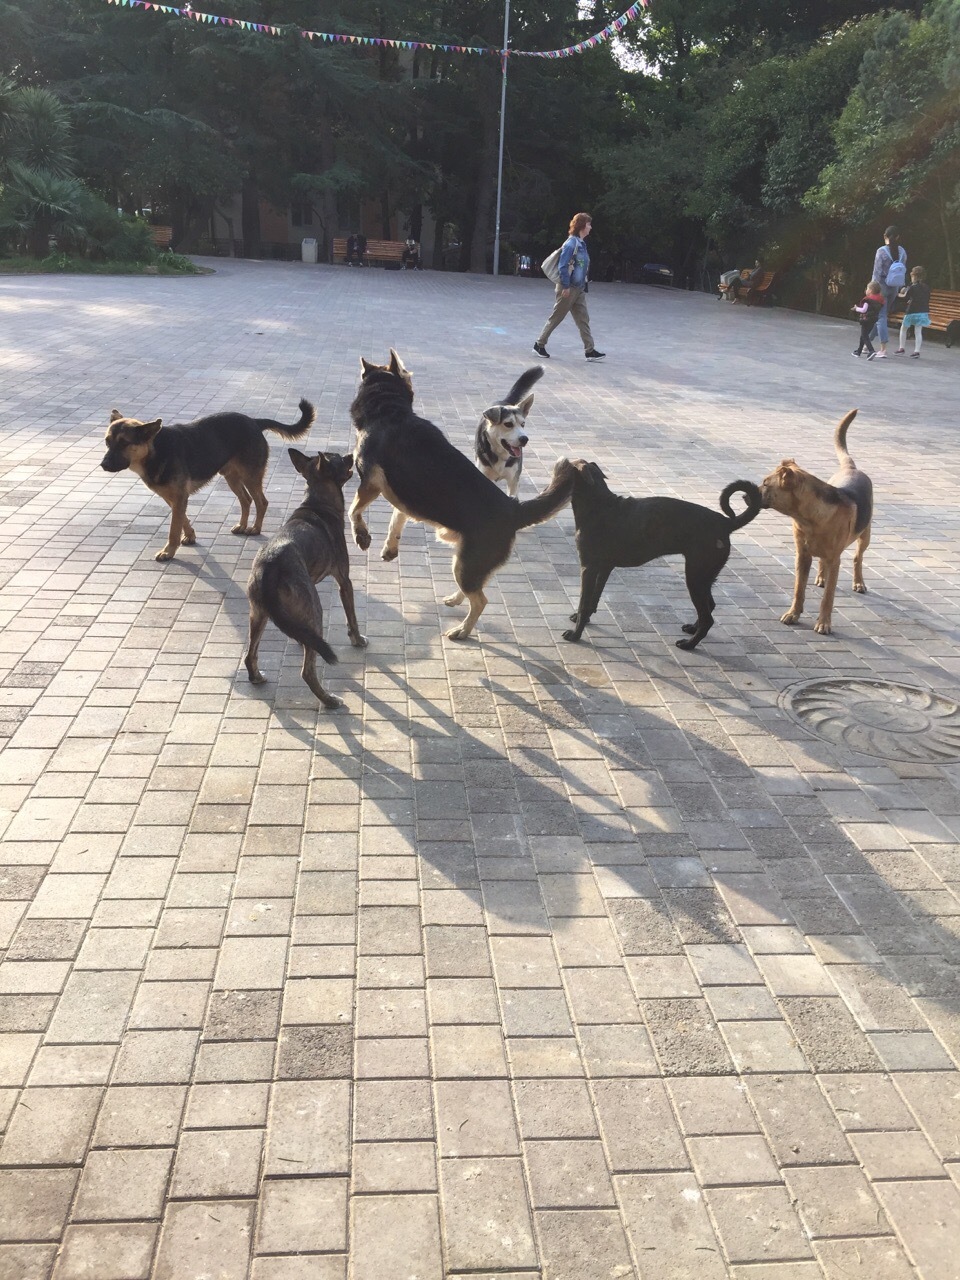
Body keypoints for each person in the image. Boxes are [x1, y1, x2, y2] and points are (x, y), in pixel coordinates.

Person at [533, 212, 605, 361]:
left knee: (583, 319)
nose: (591, 227)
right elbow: (563, 266)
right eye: (589, 224)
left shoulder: (581, 243)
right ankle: (539, 344)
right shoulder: (571, 243)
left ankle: (589, 350)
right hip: (568, 288)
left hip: (578, 289)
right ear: (582, 225)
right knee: (557, 317)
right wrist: (565, 286)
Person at [869, 225, 907, 358]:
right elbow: (903, 270)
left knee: (881, 316)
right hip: (894, 288)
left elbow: (877, 272)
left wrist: (871, 290)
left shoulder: (881, 251)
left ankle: (883, 349)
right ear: (898, 237)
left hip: (881, 287)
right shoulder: (902, 252)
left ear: (885, 236)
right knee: (882, 315)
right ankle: (867, 341)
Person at [895, 265, 931, 358]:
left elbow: (905, 297)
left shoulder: (912, 287)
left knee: (904, 328)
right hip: (923, 311)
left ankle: (901, 348)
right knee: (918, 331)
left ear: (914, 276)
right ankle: (917, 351)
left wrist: (897, 294)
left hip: (911, 311)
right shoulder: (926, 287)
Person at [851, 281, 884, 358]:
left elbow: (864, 310)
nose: (866, 290)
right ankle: (859, 351)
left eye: (867, 288)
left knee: (865, 336)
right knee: (863, 335)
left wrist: (856, 308)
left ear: (871, 290)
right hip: (873, 319)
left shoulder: (868, 300)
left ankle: (871, 350)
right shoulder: (879, 300)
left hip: (866, 319)